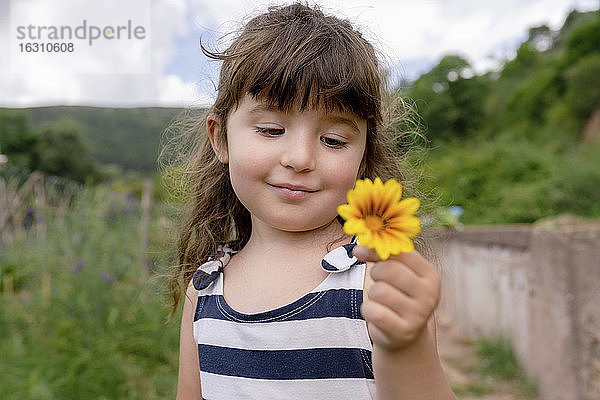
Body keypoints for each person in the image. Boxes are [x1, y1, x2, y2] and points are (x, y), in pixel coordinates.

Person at [167, 3, 457, 399]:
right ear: (220, 138)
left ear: (363, 158)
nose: (300, 158)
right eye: (271, 129)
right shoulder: (203, 291)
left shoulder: (372, 279)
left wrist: (407, 348)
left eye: (334, 140)